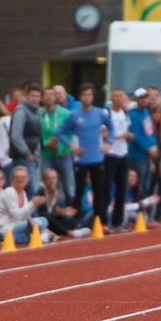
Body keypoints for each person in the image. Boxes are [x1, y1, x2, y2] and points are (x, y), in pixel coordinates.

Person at [56, 83, 114, 224]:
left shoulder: (101, 113)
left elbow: (112, 127)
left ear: (93, 97)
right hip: (81, 159)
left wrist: (108, 143)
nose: (87, 97)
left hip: (97, 158)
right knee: (79, 191)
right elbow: (60, 133)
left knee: (99, 191)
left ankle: (99, 222)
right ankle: (76, 222)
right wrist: (72, 146)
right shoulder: (73, 115)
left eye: (90, 95)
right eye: (84, 95)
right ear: (80, 97)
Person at [0, 165, 52, 245]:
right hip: (4, 226)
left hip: (16, 224)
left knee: (44, 220)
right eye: (18, 177)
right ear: (12, 179)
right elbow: (17, 216)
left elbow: (25, 215)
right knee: (35, 223)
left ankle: (17, 237)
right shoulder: (10, 192)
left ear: (27, 179)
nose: (20, 179)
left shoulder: (23, 193)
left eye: (23, 177)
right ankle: (38, 236)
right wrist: (32, 203)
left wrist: (34, 205)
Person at [40, 86, 74, 205]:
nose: (49, 97)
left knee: (68, 186)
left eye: (52, 94)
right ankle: (48, 212)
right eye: (46, 95)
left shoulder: (65, 113)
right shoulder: (38, 114)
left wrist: (65, 148)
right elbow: (35, 134)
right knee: (46, 185)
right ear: (42, 98)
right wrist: (45, 143)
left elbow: (70, 133)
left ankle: (70, 214)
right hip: (46, 154)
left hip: (63, 154)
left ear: (56, 97)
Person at [105, 89, 133, 231]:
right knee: (107, 187)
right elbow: (104, 135)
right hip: (111, 153)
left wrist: (127, 136)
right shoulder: (107, 113)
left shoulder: (125, 113)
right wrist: (122, 135)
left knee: (122, 188)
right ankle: (104, 221)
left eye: (121, 96)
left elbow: (126, 129)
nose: (119, 99)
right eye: (116, 96)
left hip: (123, 153)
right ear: (111, 98)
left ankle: (117, 222)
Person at [8, 82, 42, 196]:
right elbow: (16, 136)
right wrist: (27, 152)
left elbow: (37, 134)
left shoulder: (38, 111)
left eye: (38, 96)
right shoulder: (21, 111)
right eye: (33, 96)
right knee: (29, 188)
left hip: (33, 155)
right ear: (26, 96)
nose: (35, 99)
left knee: (33, 188)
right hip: (23, 157)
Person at [127, 88, 157, 202]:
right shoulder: (133, 115)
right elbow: (135, 135)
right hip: (136, 155)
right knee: (138, 185)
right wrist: (148, 148)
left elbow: (150, 133)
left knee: (146, 185)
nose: (144, 100)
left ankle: (142, 211)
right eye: (141, 98)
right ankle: (135, 209)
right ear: (136, 100)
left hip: (146, 156)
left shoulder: (146, 114)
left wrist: (154, 145)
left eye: (145, 97)